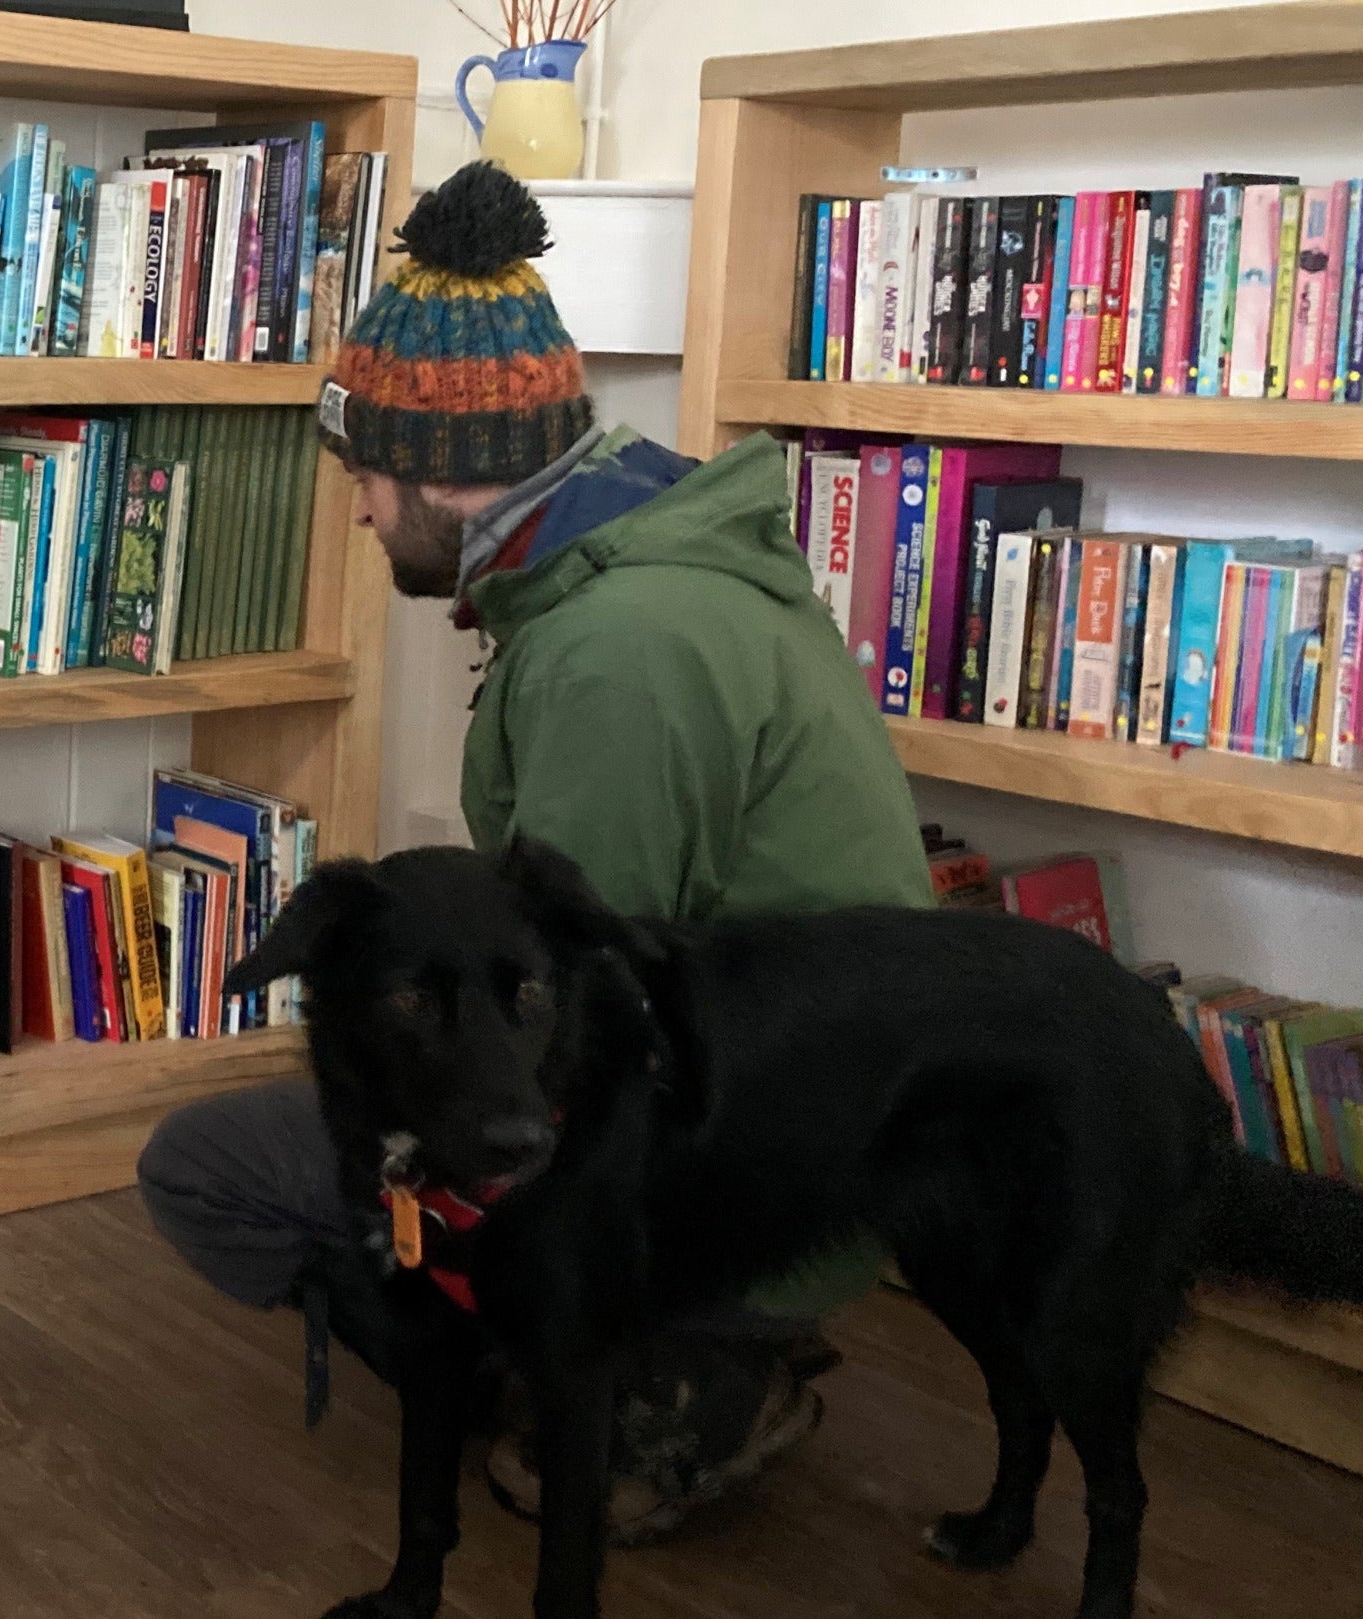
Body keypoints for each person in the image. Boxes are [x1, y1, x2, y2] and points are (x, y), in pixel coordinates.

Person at [136, 161, 936, 1544]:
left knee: (210, 1165)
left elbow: (581, 1028)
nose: (366, 513)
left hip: (743, 1169)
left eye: (372, 477)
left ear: (447, 472)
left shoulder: (614, 656)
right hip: (786, 1126)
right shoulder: (627, 575)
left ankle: (659, 1358)